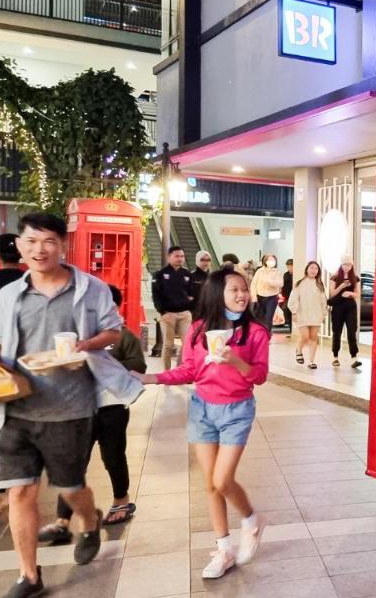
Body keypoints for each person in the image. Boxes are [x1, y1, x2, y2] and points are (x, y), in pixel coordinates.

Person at [0, 212, 141, 598]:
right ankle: (28, 576)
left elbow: (114, 331)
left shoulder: (91, 288)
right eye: (30, 242)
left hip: (70, 406)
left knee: (68, 486)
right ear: (21, 246)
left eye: (47, 241)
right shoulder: (8, 295)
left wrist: (84, 347)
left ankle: (90, 517)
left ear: (62, 244)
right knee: (20, 491)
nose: (38, 249)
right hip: (16, 405)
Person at [135, 268, 268, 579]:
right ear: (216, 294)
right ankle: (224, 550)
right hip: (202, 410)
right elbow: (190, 370)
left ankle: (251, 519)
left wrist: (233, 358)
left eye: (244, 289)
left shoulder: (255, 333)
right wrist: (152, 378)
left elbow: (259, 376)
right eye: (234, 290)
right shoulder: (197, 330)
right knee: (210, 484)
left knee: (223, 480)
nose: (241, 295)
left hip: (237, 410)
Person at [38, 285, 145, 545]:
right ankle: (62, 520)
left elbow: (138, 365)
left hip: (112, 404)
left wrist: (105, 365)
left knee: (113, 455)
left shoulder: (122, 336)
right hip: (78, 406)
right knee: (74, 462)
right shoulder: (71, 336)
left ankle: (122, 500)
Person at [151, 246, 194, 372]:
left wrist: (189, 309)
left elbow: (191, 294)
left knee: (186, 344)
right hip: (167, 314)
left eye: (182, 256)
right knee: (168, 345)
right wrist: (163, 313)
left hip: (184, 314)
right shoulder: (160, 274)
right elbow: (156, 296)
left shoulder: (187, 274)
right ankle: (167, 372)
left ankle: (181, 370)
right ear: (169, 257)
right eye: (177, 256)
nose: (180, 259)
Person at [289, 261, 328, 368]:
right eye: (311, 268)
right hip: (302, 313)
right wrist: (294, 311)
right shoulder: (300, 283)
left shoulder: (319, 284)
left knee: (313, 337)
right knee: (305, 336)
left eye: (316, 268)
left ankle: (311, 361)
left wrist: (324, 314)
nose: (313, 270)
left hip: (316, 314)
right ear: (307, 269)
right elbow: (293, 299)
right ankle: (298, 349)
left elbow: (323, 301)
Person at [327, 256, 362, 368]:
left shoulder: (355, 278)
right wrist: (341, 286)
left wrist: (350, 294)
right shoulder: (334, 277)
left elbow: (358, 294)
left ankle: (354, 357)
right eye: (345, 264)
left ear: (352, 266)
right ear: (341, 265)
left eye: (349, 265)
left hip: (350, 307)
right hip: (338, 307)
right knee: (337, 331)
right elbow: (332, 294)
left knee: (352, 331)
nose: (347, 267)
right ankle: (335, 357)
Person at [249, 254, 284, 335]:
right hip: (259, 297)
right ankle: (258, 334)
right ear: (265, 261)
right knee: (259, 317)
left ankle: (267, 335)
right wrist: (254, 296)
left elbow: (280, 284)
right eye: (269, 260)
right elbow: (253, 284)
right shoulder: (259, 271)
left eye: (273, 260)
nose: (271, 262)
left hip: (271, 297)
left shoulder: (277, 272)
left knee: (268, 317)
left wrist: (269, 282)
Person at [280, 258, 294, 332]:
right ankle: (289, 327)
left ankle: (292, 328)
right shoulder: (286, 275)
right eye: (288, 266)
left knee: (291, 311)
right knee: (285, 309)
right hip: (287, 297)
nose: (289, 268)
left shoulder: (297, 274)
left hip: (294, 297)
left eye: (291, 266)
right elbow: (283, 285)